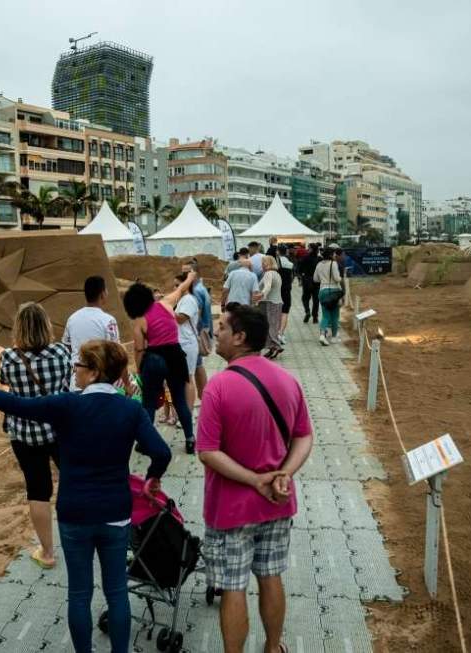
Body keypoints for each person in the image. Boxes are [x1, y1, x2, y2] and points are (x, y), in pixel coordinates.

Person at [0, 340, 171, 653]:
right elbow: (162, 452)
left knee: (79, 593)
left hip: (75, 511)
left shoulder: (66, 405)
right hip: (115, 510)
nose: (74, 370)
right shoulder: (130, 409)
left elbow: (13, 405)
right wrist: (152, 479)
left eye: (79, 365)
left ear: (93, 372)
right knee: (116, 592)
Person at [196, 303, 314, 653]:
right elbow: (304, 436)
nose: (216, 332)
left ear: (240, 337)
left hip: (230, 508)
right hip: (278, 503)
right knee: (271, 576)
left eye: (221, 327)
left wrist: (252, 480)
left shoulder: (218, 388)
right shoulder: (288, 380)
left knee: (233, 587)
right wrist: (283, 474)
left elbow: (207, 451)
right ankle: (274, 646)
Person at [0, 302, 72, 569]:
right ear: (46, 325)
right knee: (74, 479)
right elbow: (68, 380)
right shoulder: (62, 352)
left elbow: (4, 382)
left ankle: (48, 552)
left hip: (24, 434)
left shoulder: (8, 357)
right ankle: (80, 538)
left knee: (38, 490)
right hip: (59, 429)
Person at [123, 274, 198, 453]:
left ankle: (146, 442)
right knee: (179, 399)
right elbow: (181, 289)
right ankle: (190, 438)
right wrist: (191, 277)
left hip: (154, 359)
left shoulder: (139, 320)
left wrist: (140, 369)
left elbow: (139, 349)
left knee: (148, 403)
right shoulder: (165, 304)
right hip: (176, 356)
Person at [62, 276, 120, 391]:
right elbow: (117, 354)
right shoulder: (109, 321)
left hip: (77, 383)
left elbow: (66, 347)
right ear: (102, 294)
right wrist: (127, 383)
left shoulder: (72, 318)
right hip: (101, 385)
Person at [182, 260, 213, 399]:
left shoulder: (196, 291)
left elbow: (195, 316)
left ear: (195, 273)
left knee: (196, 369)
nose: (184, 275)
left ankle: (202, 396)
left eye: (187, 272)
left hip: (196, 334)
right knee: (199, 366)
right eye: (183, 272)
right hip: (200, 333)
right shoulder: (201, 288)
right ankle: (203, 396)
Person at [173, 272, 200, 406]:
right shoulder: (182, 300)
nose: (175, 288)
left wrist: (166, 309)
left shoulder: (188, 300)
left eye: (177, 285)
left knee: (188, 378)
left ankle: (188, 412)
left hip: (187, 343)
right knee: (180, 379)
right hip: (181, 343)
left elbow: (181, 319)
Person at [314, 248, 346, 346]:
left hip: (323, 291)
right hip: (334, 292)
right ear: (331, 255)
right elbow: (337, 278)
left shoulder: (319, 264)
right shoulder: (333, 264)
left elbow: (315, 279)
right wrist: (342, 278)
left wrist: (324, 279)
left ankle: (322, 335)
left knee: (325, 315)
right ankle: (334, 337)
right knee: (335, 315)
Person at [258, 256, 284, 359]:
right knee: (273, 325)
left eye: (264, 262)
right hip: (276, 302)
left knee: (270, 325)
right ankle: (272, 348)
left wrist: (260, 295)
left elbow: (266, 287)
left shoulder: (268, 274)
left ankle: (276, 346)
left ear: (268, 263)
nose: (262, 265)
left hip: (270, 302)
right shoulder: (277, 274)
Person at [271, 245, 294, 345]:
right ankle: (281, 333)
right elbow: (292, 277)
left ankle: (274, 333)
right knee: (285, 311)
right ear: (287, 252)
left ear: (277, 252)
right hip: (286, 289)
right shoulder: (290, 264)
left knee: (276, 310)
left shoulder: (274, 262)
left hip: (276, 289)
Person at [297, 243, 322, 323]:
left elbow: (299, 269)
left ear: (311, 249)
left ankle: (307, 311)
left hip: (307, 280)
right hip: (317, 281)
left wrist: (301, 277)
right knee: (316, 300)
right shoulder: (319, 259)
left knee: (305, 298)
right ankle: (315, 317)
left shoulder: (305, 258)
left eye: (309, 248)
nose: (307, 249)